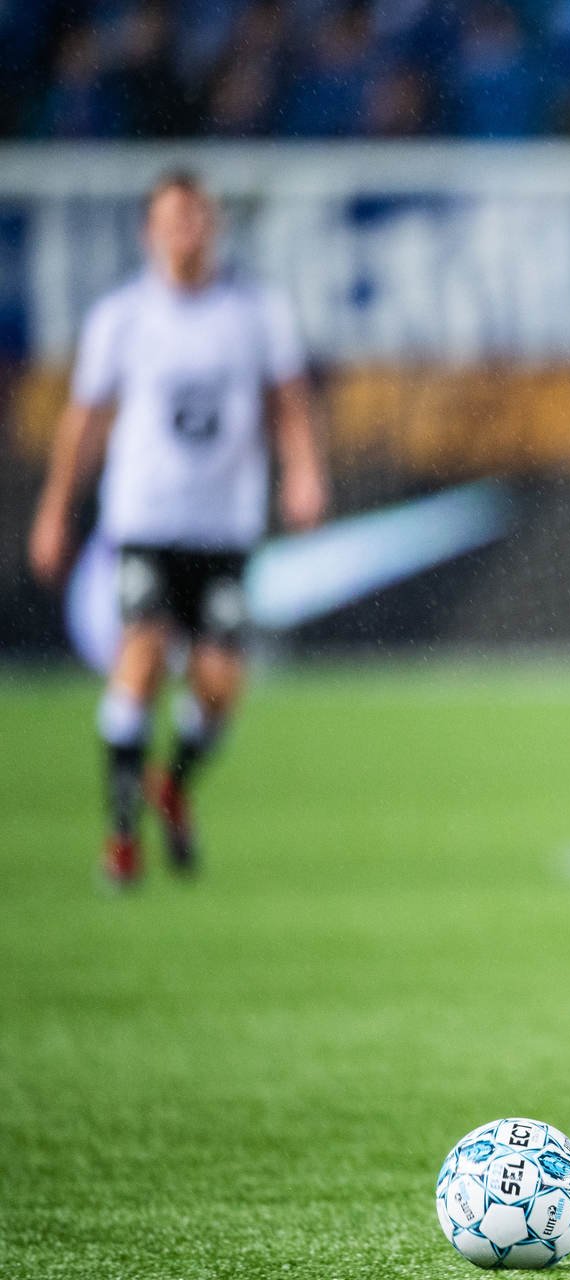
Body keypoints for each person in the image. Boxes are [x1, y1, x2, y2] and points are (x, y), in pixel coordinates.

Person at [27, 170, 328, 886]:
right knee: (144, 654)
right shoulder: (122, 318)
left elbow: (288, 401)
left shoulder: (256, 312)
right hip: (145, 519)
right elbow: (85, 422)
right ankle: (122, 840)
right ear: (149, 233)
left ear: (214, 226)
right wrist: (54, 509)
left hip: (223, 526)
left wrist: (304, 471)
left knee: (220, 684)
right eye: (173, 219)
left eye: (197, 218)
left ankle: (174, 785)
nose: (187, 231)